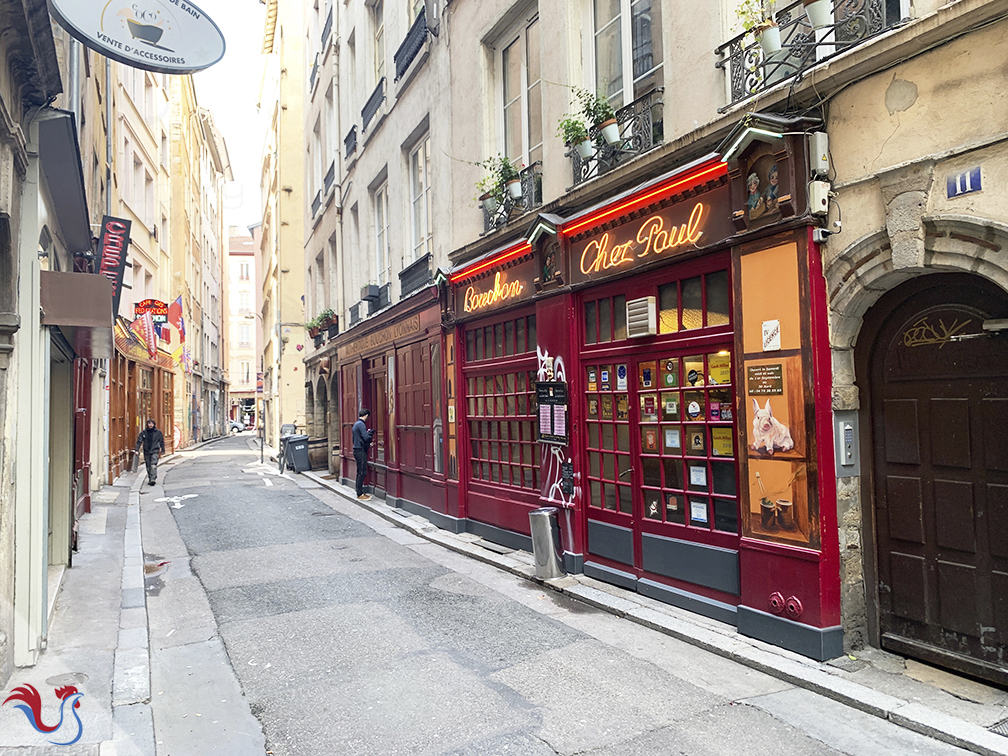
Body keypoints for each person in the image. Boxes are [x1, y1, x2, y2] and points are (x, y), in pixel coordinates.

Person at [135, 419, 165, 487]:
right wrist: (137, 450)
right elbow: (139, 441)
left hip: (155, 450)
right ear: (147, 424)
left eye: (152, 423)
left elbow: (161, 441)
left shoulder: (158, 433)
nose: (150, 425)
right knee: (148, 465)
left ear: (154, 424)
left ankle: (153, 479)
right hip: (147, 451)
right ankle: (150, 477)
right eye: (149, 423)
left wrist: (162, 449)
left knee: (153, 465)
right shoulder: (143, 433)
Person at [352, 409, 374, 500]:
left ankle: (359, 491)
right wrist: (371, 433)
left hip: (357, 450)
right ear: (366, 416)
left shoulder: (356, 424)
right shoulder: (361, 424)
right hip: (360, 451)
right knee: (362, 472)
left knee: (359, 472)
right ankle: (360, 493)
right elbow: (366, 437)